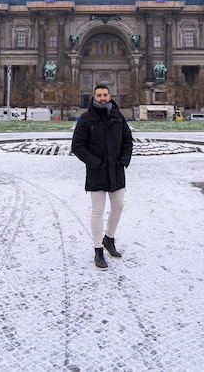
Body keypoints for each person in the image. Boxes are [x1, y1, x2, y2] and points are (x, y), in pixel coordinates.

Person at [71, 83, 133, 270]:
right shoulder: (86, 119)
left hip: (116, 170)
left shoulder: (118, 116)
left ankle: (109, 238)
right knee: (97, 211)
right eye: (99, 95)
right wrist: (95, 163)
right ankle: (98, 249)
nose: (102, 98)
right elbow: (77, 146)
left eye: (105, 95)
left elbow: (127, 140)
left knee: (119, 206)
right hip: (97, 171)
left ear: (110, 95)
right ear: (94, 97)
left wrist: (123, 161)